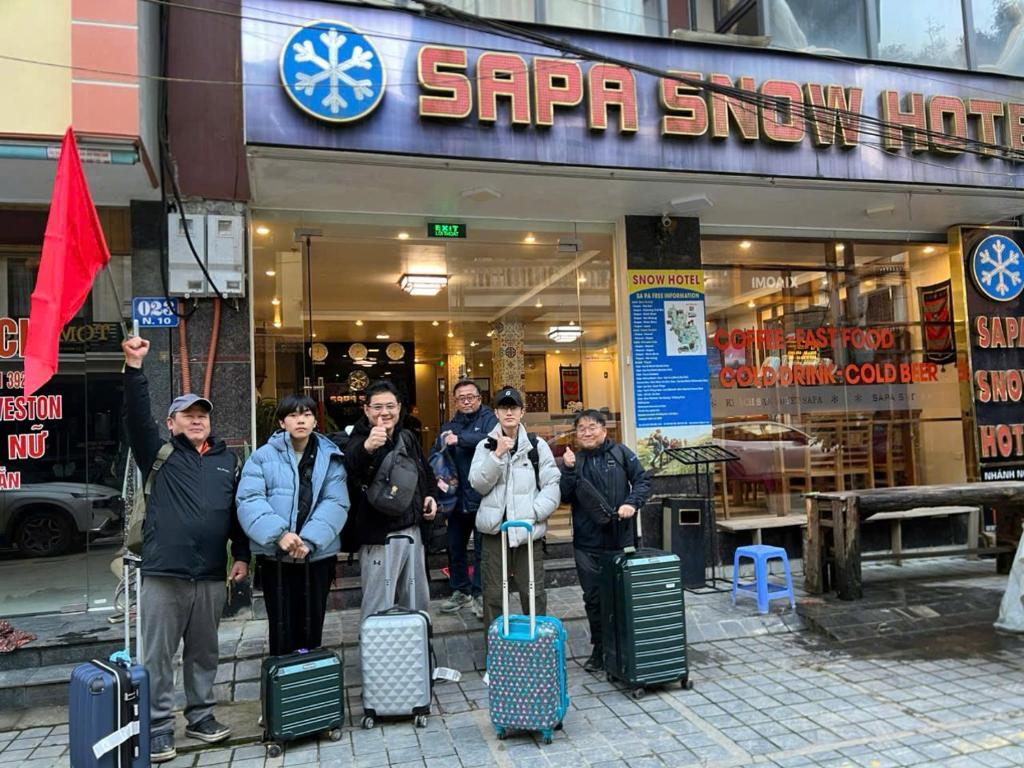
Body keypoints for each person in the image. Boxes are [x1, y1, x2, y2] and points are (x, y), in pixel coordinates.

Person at [121, 336, 250, 763]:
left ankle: (201, 716)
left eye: (202, 415)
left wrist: (243, 555)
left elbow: (235, 512)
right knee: (158, 654)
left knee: (203, 651)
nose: (196, 421)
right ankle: (158, 726)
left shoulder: (226, 461)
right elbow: (137, 417)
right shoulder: (157, 452)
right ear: (172, 422)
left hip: (212, 573)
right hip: (165, 572)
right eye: (187, 415)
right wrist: (134, 367)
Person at [236, 394, 349, 655]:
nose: (301, 420)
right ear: (282, 422)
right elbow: (249, 499)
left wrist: (308, 540)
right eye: (293, 415)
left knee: (312, 625)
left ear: (314, 421)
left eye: (307, 414)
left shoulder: (331, 456)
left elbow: (336, 502)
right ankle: (284, 683)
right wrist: (279, 535)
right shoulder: (262, 457)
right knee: (281, 626)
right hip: (276, 558)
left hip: (317, 556)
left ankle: (309, 680)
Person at [560, 409, 651, 672]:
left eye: (591, 427)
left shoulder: (622, 454)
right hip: (586, 545)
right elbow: (564, 497)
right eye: (581, 429)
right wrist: (567, 470)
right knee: (593, 599)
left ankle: (625, 649)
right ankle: (599, 649)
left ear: (604, 430)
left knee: (622, 596)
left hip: (621, 541)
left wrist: (632, 504)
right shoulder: (573, 461)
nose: (586, 432)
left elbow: (643, 482)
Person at [344, 380, 438, 619]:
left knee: (417, 602)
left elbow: (425, 472)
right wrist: (368, 448)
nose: (384, 412)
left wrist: (430, 496)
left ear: (399, 408)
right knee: (378, 604)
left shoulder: (407, 437)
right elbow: (351, 470)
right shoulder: (358, 439)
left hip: (413, 531)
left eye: (390, 406)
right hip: (379, 537)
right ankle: (375, 654)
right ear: (366, 410)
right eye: (377, 407)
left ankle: (415, 653)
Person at [470, 387, 560, 633]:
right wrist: (497, 455)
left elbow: (552, 485)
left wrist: (533, 515)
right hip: (494, 531)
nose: (509, 412)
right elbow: (478, 484)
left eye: (514, 407)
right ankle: (496, 656)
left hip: (527, 532)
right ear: (496, 413)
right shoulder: (484, 446)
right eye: (503, 408)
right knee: (493, 596)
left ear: (522, 412)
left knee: (533, 593)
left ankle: (537, 648)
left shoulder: (536, 445)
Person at [435, 380, 498, 619]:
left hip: (484, 497)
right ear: (455, 401)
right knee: (455, 547)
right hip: (457, 499)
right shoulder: (450, 425)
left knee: (483, 549)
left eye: (471, 396)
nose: (466, 401)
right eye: (461, 397)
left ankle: (481, 594)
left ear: (480, 399)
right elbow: (437, 452)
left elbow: (491, 440)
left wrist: (459, 440)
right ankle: (460, 590)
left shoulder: (490, 420)